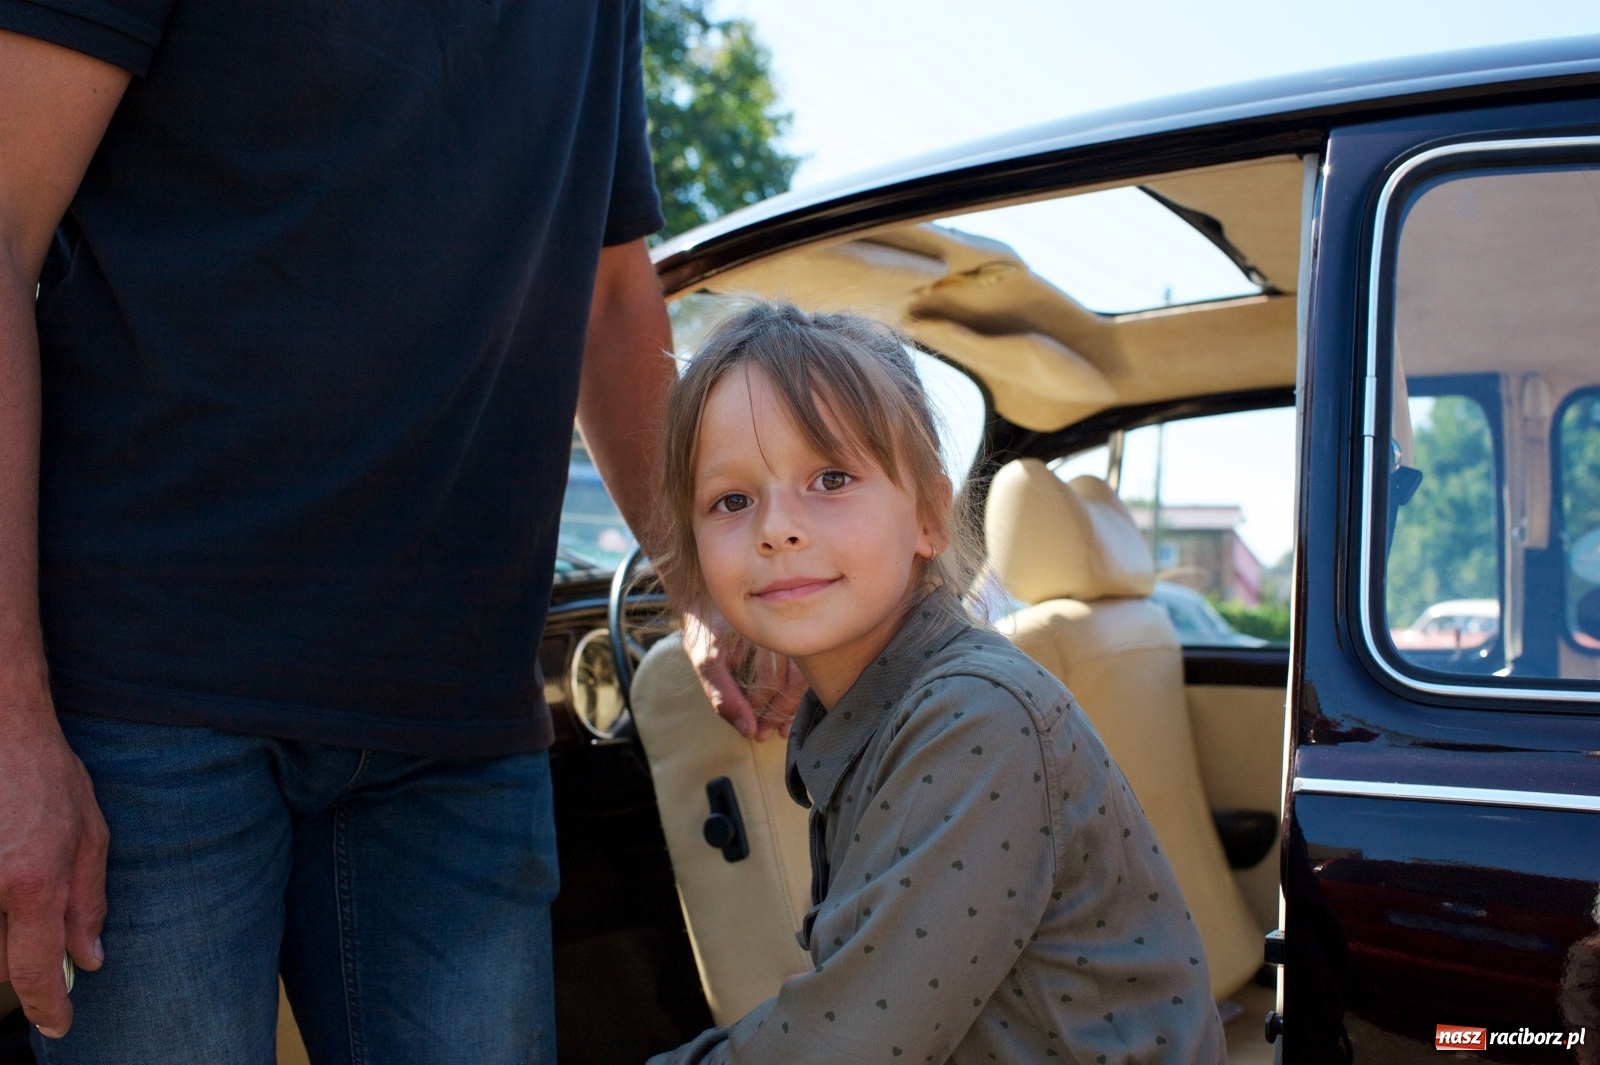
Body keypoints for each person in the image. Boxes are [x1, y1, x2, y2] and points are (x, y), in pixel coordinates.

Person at [0, 2, 772, 1060]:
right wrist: (11, 724)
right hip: (147, 706)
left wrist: (698, 578)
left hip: (459, 721)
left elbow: (604, 293)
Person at [645, 302, 1227, 1064]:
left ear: (928, 517)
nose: (775, 527)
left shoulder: (977, 716)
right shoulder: (875, 709)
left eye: (830, 477)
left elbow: (841, 1047)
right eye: (731, 499)